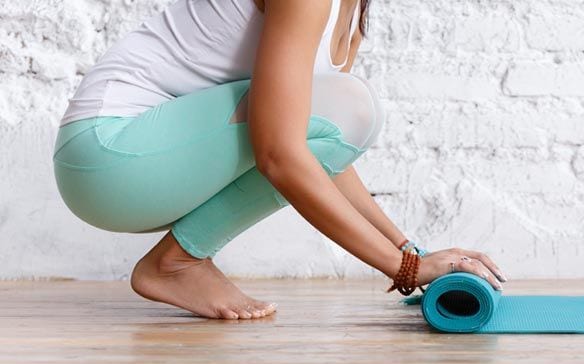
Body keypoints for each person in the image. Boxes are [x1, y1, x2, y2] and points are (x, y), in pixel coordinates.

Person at [52, 0, 507, 321]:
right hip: (108, 154)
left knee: (344, 112)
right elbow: (280, 155)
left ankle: (177, 262)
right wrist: (402, 269)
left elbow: (321, 150)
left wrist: (410, 252)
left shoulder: (352, 17)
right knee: (349, 107)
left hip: (144, 164)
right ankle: (175, 264)